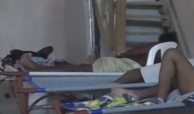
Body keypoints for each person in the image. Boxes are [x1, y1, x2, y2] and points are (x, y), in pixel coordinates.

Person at [13, 32, 179, 73]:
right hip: (126, 67)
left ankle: (37, 68)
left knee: (77, 69)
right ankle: (38, 66)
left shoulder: (157, 47)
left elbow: (131, 53)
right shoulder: (168, 54)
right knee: (78, 68)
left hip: (125, 67)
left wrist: (120, 55)